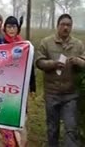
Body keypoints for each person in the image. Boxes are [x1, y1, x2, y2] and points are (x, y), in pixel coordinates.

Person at [36, 14, 84, 147]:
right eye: (63, 24)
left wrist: (78, 61)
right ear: (57, 26)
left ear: (71, 27)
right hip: (52, 93)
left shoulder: (78, 44)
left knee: (71, 128)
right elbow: (39, 62)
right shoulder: (46, 42)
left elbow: (84, 62)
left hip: (71, 94)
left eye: (68, 25)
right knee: (52, 128)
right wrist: (53, 64)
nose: (65, 27)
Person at [0, 16, 36, 147]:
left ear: (18, 28)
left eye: (14, 27)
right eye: (9, 26)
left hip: (20, 90)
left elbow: (30, 66)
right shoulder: (0, 42)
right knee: (5, 121)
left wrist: (33, 86)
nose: (11, 29)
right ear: (5, 28)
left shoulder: (25, 45)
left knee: (20, 120)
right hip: (3, 89)